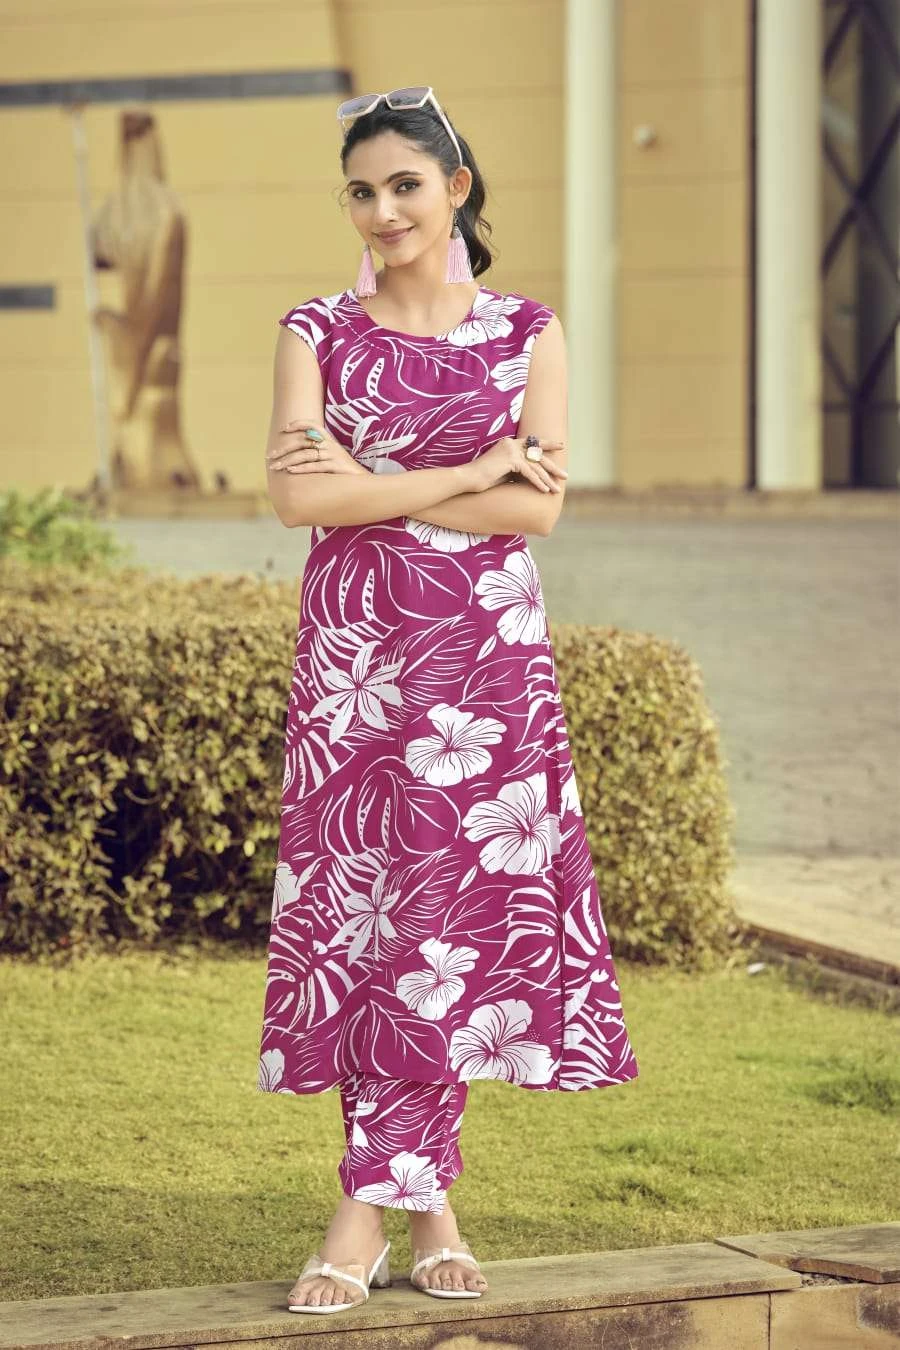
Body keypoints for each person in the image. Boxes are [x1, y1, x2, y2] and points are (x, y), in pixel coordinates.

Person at [257, 86, 639, 1317]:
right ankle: (430, 1216)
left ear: (456, 188)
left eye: (405, 185)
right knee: (375, 925)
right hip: (357, 665)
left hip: (484, 661)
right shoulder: (314, 331)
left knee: (446, 927)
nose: (383, 211)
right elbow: (300, 502)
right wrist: (470, 468)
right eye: (361, 191)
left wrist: (375, 480)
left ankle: (364, 1217)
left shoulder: (529, 331)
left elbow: (539, 511)